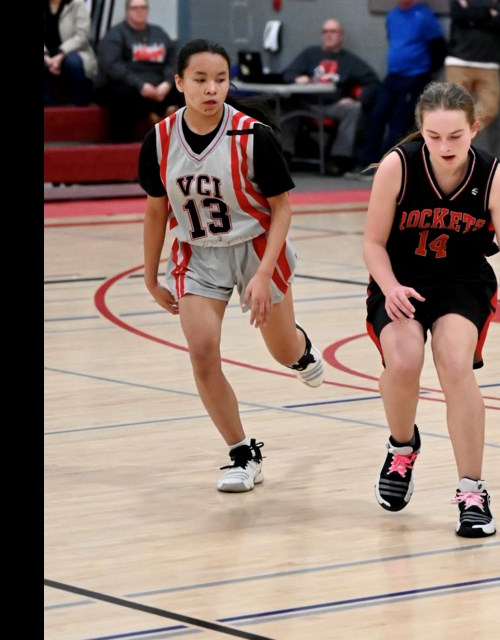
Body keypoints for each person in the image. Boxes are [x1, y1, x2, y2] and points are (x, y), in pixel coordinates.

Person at [362, 81, 500, 537]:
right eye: (434, 136)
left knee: (455, 363)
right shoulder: (397, 167)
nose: (444, 146)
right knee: (403, 362)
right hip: (400, 278)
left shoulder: (494, 177)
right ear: (421, 130)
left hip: (462, 281)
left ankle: (471, 489)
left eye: (455, 136)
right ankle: (402, 448)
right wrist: (390, 286)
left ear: (474, 129)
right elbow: (373, 243)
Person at [138, 38, 325, 493]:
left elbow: (282, 209)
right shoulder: (160, 140)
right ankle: (243, 452)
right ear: (179, 82)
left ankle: (301, 352)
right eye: (200, 80)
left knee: (280, 351)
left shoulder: (252, 136)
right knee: (202, 352)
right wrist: (149, 275)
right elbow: (156, 211)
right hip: (198, 253)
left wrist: (263, 274)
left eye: (220, 80)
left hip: (258, 247)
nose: (211, 89)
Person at [355, 0, 446, 175]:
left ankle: (386, 167)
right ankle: (368, 162)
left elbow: (438, 47)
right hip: (393, 75)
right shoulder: (392, 16)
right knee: (377, 117)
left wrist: (427, 72)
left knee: (398, 123)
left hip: (414, 76)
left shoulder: (424, 16)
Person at [280, 18, 380, 176]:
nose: (328, 35)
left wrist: (357, 99)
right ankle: (284, 155)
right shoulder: (310, 54)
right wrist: (297, 78)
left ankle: (338, 159)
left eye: (333, 31)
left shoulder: (349, 60)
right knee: (287, 107)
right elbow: (287, 74)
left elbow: (373, 82)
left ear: (341, 35)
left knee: (353, 109)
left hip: (332, 104)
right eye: (325, 31)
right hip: (306, 102)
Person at [95, 0, 185, 142]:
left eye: (143, 8)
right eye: (135, 8)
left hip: (159, 85)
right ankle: (123, 144)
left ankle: (191, 140)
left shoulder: (158, 33)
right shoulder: (116, 34)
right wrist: (140, 85)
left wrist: (167, 83)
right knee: (123, 96)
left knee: (186, 91)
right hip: (129, 85)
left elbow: (173, 59)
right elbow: (112, 65)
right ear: (127, 11)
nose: (139, 11)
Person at [444, 0, 500, 128]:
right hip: (459, 62)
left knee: (490, 109)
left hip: (489, 64)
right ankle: (455, 140)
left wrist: (470, 14)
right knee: (454, 109)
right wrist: (489, 12)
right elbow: (458, 14)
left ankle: (461, 136)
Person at [44, 0, 98, 106]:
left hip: (74, 50)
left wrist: (61, 54)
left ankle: (81, 104)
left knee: (73, 62)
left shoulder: (77, 3)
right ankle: (50, 108)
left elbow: (82, 36)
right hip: (46, 53)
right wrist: (46, 57)